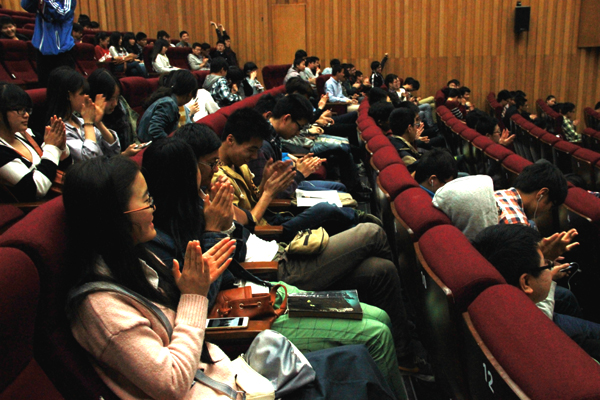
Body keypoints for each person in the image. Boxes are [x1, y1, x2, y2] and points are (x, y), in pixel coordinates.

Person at [141, 135, 412, 397]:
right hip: (251, 313)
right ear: (183, 180)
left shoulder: (193, 210)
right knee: (377, 334)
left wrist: (224, 226)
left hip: (266, 291)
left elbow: (240, 245)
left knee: (381, 316)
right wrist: (213, 232)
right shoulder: (159, 243)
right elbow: (199, 302)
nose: (213, 172)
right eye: (207, 167)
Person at [473, 224, 600, 361]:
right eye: (546, 264)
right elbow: (542, 320)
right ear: (526, 282)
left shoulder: (493, 298)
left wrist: (539, 257)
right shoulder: (534, 334)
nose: (551, 268)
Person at [0, 83, 71, 201]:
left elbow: (66, 165)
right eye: (19, 110)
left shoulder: (26, 134)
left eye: (27, 110)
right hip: (37, 206)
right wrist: (52, 147)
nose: (26, 115)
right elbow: (37, 188)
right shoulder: (2, 152)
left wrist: (61, 146)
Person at [45, 67, 121, 162]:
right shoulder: (58, 130)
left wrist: (98, 123)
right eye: (82, 93)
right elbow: (89, 160)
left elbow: (114, 150)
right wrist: (88, 123)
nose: (87, 97)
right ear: (69, 96)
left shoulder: (80, 121)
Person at [21, 0, 76, 87]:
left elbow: (63, 13)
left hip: (62, 50)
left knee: (64, 87)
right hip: (42, 48)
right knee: (45, 86)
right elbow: (26, 6)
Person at [87, 68, 141, 153]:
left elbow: (132, 136)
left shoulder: (121, 104)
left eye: (116, 97)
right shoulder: (84, 118)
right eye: (110, 99)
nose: (115, 103)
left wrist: (136, 146)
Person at [137, 70, 198, 142]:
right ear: (190, 93)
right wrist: (174, 144)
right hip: (150, 145)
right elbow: (155, 130)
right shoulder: (169, 103)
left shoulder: (168, 99)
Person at [387, 106, 424, 171]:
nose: (416, 129)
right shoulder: (407, 158)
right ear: (409, 128)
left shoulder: (391, 139)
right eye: (416, 125)